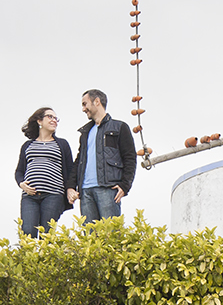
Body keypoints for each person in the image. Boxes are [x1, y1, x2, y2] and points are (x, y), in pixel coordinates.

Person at [67, 89, 136, 221]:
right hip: (85, 192)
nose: (83, 109)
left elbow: (130, 157)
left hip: (108, 189)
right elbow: (79, 160)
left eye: (85, 104)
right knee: (89, 238)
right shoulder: (85, 132)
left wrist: (125, 185)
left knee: (110, 236)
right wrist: (71, 186)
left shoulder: (119, 127)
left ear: (97, 102)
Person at [14, 106, 73, 237]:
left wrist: (70, 189)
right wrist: (21, 184)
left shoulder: (62, 144)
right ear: (39, 121)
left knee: (47, 234)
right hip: (30, 197)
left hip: (53, 195)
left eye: (56, 118)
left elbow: (70, 170)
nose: (54, 120)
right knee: (28, 232)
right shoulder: (28, 145)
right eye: (50, 117)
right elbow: (19, 171)